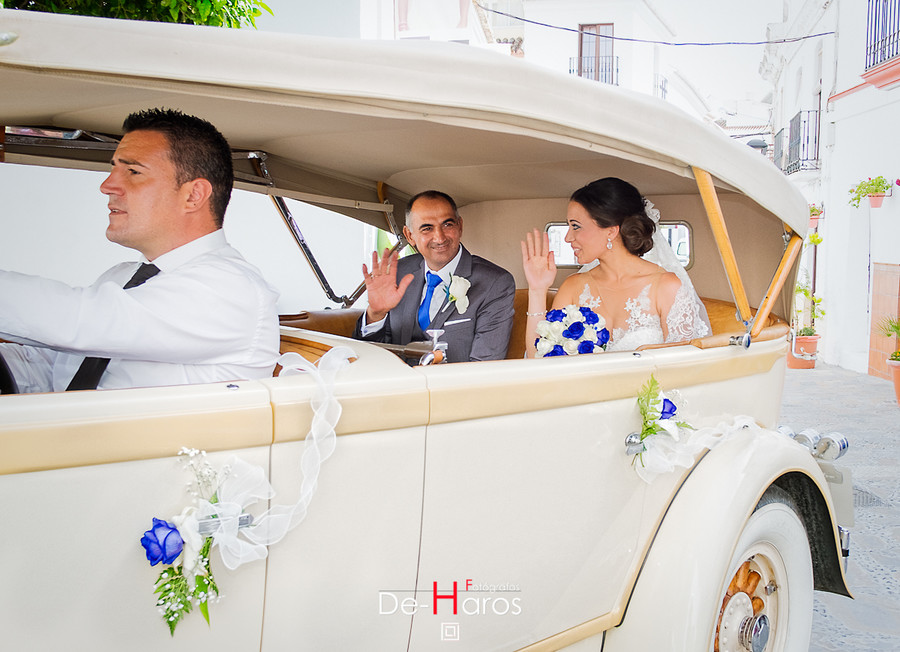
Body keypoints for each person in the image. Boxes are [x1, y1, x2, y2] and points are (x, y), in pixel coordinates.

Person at [0, 108, 280, 393]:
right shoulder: (122, 277)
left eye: (133, 171)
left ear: (193, 195)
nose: (107, 185)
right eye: (113, 169)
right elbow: (56, 367)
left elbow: (81, 323)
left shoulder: (229, 289)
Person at [522, 177, 710, 356]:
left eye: (576, 226)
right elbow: (538, 360)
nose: (568, 238)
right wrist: (537, 290)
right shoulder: (572, 287)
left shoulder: (666, 287)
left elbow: (682, 367)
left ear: (611, 230)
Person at [354, 190, 515, 363]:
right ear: (409, 235)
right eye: (427, 228)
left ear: (460, 226)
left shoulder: (495, 283)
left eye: (447, 225)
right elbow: (371, 358)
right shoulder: (398, 273)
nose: (439, 237)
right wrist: (376, 314)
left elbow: (484, 367)